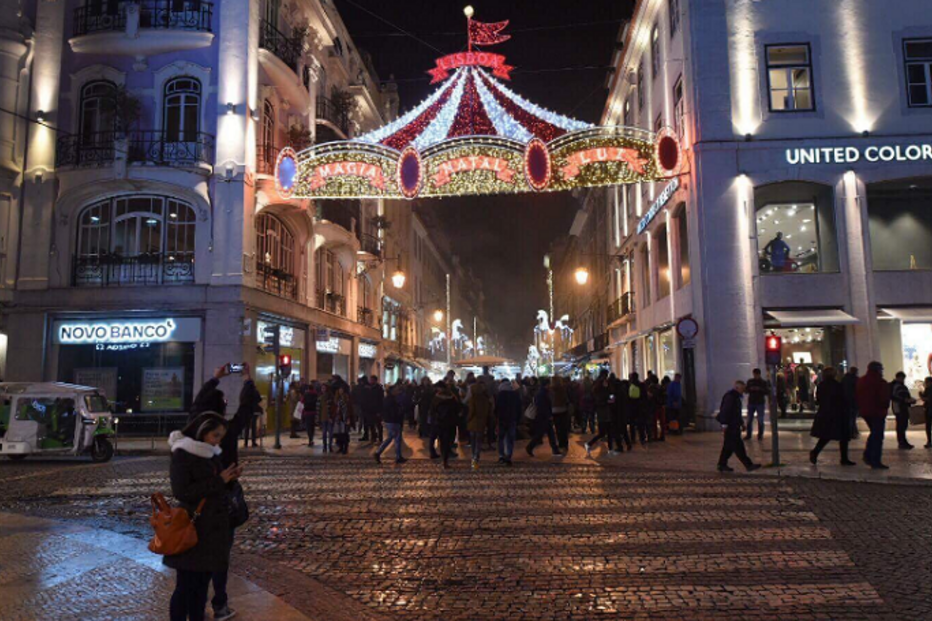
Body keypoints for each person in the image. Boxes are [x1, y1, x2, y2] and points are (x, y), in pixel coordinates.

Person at [166, 413, 242, 621]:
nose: (218, 441)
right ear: (202, 431)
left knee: (201, 586)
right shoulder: (183, 453)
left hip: (212, 531)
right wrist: (219, 480)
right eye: (215, 435)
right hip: (193, 527)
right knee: (185, 586)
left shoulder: (211, 453)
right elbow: (182, 492)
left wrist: (230, 479)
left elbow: (215, 486)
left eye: (221, 437)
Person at [809, 367, 856, 466]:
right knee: (843, 436)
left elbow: (819, 399)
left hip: (825, 413)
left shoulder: (821, 385)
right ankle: (844, 458)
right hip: (837, 413)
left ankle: (815, 452)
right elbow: (842, 398)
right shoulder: (837, 385)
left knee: (826, 436)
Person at [716, 381, 762, 473]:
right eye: (742, 389)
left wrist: (741, 423)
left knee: (728, 447)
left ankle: (722, 464)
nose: (743, 391)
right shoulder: (731, 397)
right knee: (738, 446)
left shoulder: (735, 397)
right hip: (731, 426)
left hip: (733, 425)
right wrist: (724, 424)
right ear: (737, 388)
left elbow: (736, 413)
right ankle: (748, 465)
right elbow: (726, 411)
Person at [856, 361, 891, 469]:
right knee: (877, 436)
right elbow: (883, 398)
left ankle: (868, 455)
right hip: (877, 412)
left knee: (874, 434)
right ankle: (874, 459)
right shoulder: (880, 382)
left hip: (865, 411)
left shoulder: (862, 381)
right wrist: (885, 407)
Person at [526, 378, 561, 457]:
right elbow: (542, 407)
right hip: (543, 418)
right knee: (541, 434)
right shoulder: (542, 393)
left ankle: (555, 450)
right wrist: (548, 415)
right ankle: (530, 447)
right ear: (546, 384)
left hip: (543, 417)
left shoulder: (543, 392)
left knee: (549, 434)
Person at [584, 371, 614, 456]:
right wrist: (607, 401)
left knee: (608, 431)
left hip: (605, 411)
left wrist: (611, 398)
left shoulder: (604, 386)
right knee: (603, 432)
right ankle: (589, 444)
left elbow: (610, 394)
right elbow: (599, 400)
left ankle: (610, 449)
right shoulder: (598, 388)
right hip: (602, 411)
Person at [374, 384, 406, 464]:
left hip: (391, 420)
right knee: (393, 438)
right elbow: (393, 411)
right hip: (393, 421)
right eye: (396, 390)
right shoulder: (390, 400)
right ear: (392, 391)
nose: (397, 391)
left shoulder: (389, 399)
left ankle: (398, 456)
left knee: (394, 438)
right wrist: (399, 412)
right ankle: (378, 452)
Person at [433, 381, 462, 469]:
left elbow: (433, 410)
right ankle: (445, 460)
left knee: (442, 442)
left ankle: (444, 460)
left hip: (441, 422)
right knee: (448, 441)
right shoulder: (452, 397)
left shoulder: (437, 398)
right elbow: (458, 408)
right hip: (451, 422)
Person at [467, 381, 492, 469]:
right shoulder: (485, 399)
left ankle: (473, 459)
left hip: (473, 423)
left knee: (473, 442)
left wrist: (467, 419)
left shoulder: (472, 399)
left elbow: (471, 411)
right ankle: (476, 458)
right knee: (478, 442)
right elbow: (488, 411)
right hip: (481, 423)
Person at [495, 378, 521, 465]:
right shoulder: (515, 394)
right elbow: (518, 407)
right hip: (512, 418)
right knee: (510, 438)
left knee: (501, 438)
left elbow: (497, 408)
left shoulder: (500, 394)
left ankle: (501, 456)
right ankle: (509, 455)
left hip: (502, 419)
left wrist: (496, 418)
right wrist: (518, 419)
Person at [890, 371, 916, 450]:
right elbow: (895, 397)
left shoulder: (897, 385)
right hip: (900, 408)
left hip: (901, 407)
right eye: (902, 378)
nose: (903, 379)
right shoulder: (897, 386)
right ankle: (902, 442)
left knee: (902, 425)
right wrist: (906, 400)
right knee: (901, 425)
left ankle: (903, 442)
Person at [745, 368, 768, 440]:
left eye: (756, 374)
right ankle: (749, 434)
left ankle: (760, 435)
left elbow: (766, 392)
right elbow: (746, 390)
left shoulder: (763, 382)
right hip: (752, 402)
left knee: (760, 419)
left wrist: (759, 389)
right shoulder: (750, 382)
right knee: (749, 419)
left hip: (759, 402)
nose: (755, 376)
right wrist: (751, 389)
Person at [551, 376, 571, 452]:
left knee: (558, 428)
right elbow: (566, 399)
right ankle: (564, 444)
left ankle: (560, 444)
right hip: (563, 409)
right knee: (563, 428)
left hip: (554, 410)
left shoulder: (551, 390)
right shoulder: (562, 389)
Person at [841, 367, 860, 438]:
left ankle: (851, 431)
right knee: (853, 417)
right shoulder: (857, 380)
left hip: (846, 401)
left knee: (849, 417)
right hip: (854, 401)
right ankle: (852, 432)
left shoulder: (845, 379)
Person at [316, 383, 333, 452]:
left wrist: (331, 416)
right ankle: (325, 446)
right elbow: (318, 409)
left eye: (324, 388)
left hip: (329, 417)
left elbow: (332, 408)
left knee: (330, 433)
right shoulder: (320, 398)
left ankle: (330, 446)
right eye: (322, 388)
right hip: (323, 417)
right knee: (324, 433)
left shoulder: (330, 397)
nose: (323, 389)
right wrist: (318, 419)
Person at [302, 382, 318, 447]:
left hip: (307, 412)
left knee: (308, 426)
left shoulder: (306, 394)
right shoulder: (315, 394)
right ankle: (311, 438)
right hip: (313, 412)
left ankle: (310, 439)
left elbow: (302, 401)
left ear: (308, 388)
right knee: (312, 426)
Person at [921, 377, 932, 449]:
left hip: (929, 409)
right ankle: (929, 441)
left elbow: (926, 399)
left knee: (928, 426)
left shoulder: (928, 389)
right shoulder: (927, 389)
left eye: (926, 382)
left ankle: (929, 441)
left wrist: (921, 395)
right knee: (928, 426)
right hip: (928, 409)